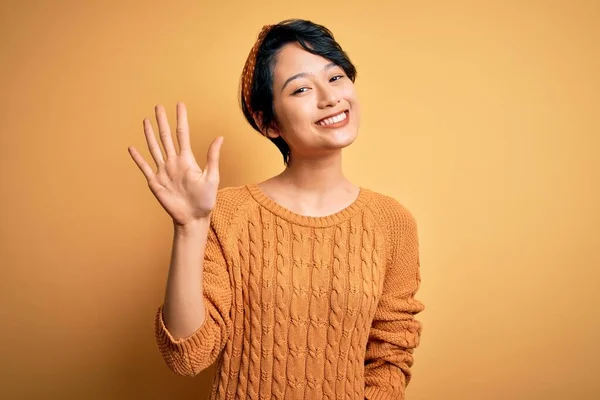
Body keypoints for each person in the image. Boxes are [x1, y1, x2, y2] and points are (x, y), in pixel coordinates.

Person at [128, 18, 424, 400]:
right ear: (268, 123)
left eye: (335, 78)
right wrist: (190, 226)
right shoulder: (228, 214)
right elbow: (188, 355)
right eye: (301, 88)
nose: (329, 97)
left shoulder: (392, 222)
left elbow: (390, 357)